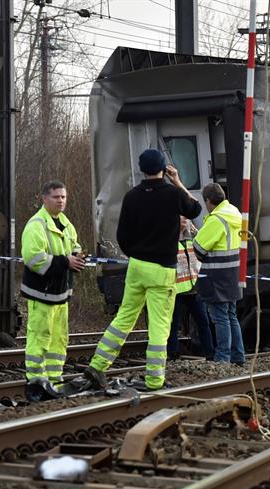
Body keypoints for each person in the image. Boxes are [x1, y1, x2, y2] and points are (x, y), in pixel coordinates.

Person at [76, 149, 202, 392]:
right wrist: (177, 181)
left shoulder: (132, 196)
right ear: (163, 169)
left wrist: (136, 254)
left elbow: (122, 235)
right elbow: (195, 210)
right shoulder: (173, 194)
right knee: (159, 325)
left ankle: (97, 365)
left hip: (136, 267)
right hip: (162, 269)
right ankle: (155, 379)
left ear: (141, 169)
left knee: (124, 318)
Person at [20, 181, 86, 401]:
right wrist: (65, 262)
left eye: (64, 197)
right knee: (40, 337)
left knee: (59, 339)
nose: (61, 201)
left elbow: (74, 244)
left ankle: (54, 380)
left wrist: (77, 256)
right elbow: (33, 259)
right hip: (42, 293)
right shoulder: (36, 225)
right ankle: (36, 383)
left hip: (60, 294)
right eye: (56, 197)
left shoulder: (65, 222)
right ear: (44, 199)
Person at [193, 183, 245, 365]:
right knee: (231, 315)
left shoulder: (216, 219)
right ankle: (238, 356)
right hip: (234, 274)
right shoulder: (234, 213)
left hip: (217, 276)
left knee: (220, 317)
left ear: (208, 201)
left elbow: (199, 248)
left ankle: (222, 358)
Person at [168, 216, 214, 360]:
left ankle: (210, 353)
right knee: (173, 325)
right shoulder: (168, 239)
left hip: (194, 289)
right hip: (177, 290)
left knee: (203, 322)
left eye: (186, 219)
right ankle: (172, 354)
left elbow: (203, 242)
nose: (184, 220)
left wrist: (194, 230)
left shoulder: (192, 237)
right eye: (181, 218)